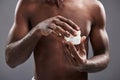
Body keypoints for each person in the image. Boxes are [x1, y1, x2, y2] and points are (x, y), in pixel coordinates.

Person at [5, 0, 110, 80]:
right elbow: (11, 60)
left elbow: (104, 56)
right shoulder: (28, 4)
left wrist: (85, 65)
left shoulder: (93, 7)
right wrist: (37, 31)